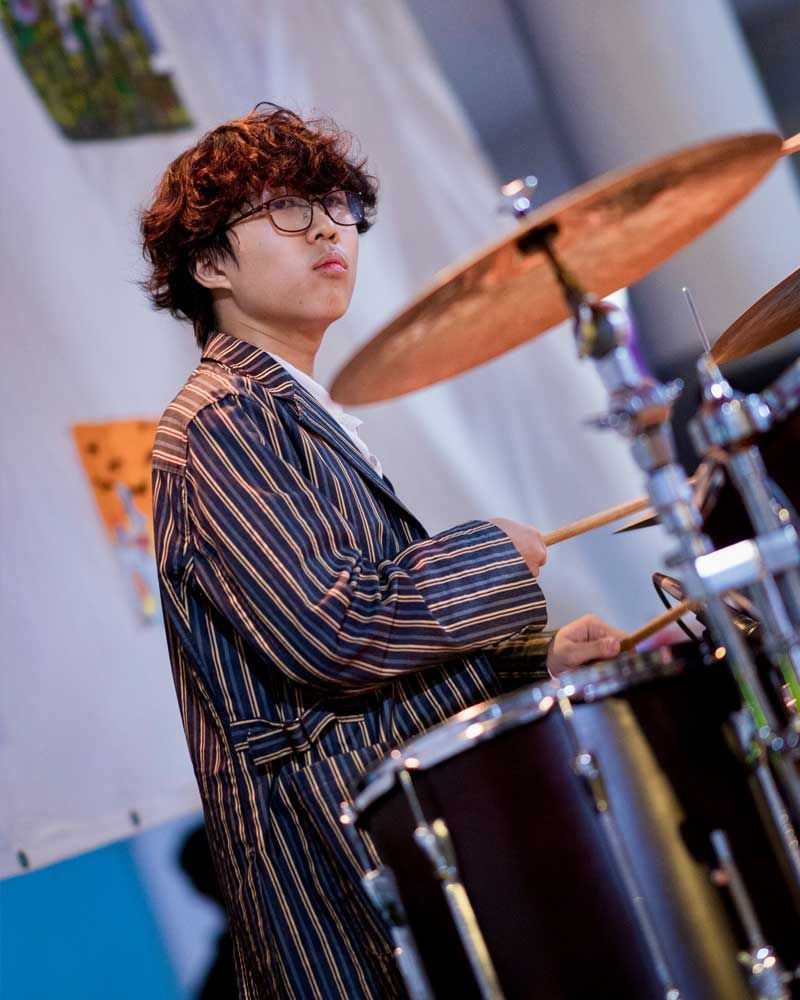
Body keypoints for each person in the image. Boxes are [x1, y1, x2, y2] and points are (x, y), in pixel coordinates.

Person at [141, 104, 625, 1000]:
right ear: (208, 266)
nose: (330, 226)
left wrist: (540, 657)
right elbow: (336, 631)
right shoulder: (220, 419)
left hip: (380, 850)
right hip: (334, 884)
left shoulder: (281, 409)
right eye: (287, 208)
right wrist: (489, 555)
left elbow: (365, 668)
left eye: (337, 206)